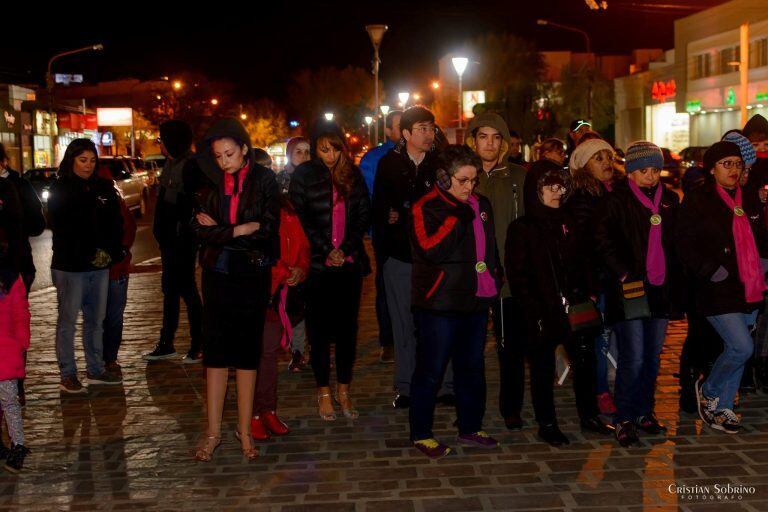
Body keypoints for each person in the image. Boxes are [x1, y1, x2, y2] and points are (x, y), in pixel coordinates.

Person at [189, 118, 280, 462]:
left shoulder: (265, 179)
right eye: (218, 155)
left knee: (245, 353)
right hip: (216, 273)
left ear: (244, 149)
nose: (224, 161)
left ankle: (244, 431)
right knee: (215, 354)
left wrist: (226, 231)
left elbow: (267, 229)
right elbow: (198, 230)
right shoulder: (205, 182)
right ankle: (212, 433)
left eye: (229, 153)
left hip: (252, 274)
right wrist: (238, 230)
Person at [506, 160, 612, 446]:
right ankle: (547, 423)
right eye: (548, 186)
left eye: (561, 185)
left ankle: (589, 415)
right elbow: (518, 275)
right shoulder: (523, 228)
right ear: (535, 190)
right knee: (542, 369)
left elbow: (585, 259)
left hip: (575, 307)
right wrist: (533, 309)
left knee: (585, 363)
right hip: (543, 310)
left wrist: (589, 291)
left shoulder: (570, 221)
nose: (556, 192)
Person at [409, 145, 501, 458]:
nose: (469, 187)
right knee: (431, 370)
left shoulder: (481, 204)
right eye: (462, 180)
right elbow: (429, 249)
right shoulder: (427, 206)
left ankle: (470, 427)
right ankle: (421, 432)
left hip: (475, 301)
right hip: (439, 305)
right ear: (444, 178)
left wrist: (494, 280)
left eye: (473, 180)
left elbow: (490, 251)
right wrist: (455, 217)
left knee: (472, 368)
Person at [595, 141, 682, 446]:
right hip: (629, 288)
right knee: (633, 356)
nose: (650, 176)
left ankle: (645, 411)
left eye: (655, 170)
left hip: (660, 288)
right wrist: (623, 272)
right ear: (630, 171)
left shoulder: (669, 200)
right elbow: (603, 241)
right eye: (644, 170)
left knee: (653, 356)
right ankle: (625, 417)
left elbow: (676, 243)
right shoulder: (615, 200)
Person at [677, 141, 768, 434]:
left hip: (749, 286)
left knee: (735, 348)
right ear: (712, 168)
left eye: (737, 164)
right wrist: (710, 270)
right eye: (726, 164)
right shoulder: (698, 199)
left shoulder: (750, 199)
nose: (733, 169)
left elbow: (759, 239)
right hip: (716, 288)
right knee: (742, 347)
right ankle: (709, 387)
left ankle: (722, 407)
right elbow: (684, 243)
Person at [289, 119, 371, 421]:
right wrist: (327, 250)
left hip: (348, 265)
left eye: (335, 149)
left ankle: (344, 390)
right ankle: (323, 391)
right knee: (320, 332)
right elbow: (301, 219)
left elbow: (364, 214)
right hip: (318, 266)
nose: (331, 156)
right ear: (315, 149)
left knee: (348, 331)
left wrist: (345, 249)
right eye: (324, 150)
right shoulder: (304, 175)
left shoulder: (353, 174)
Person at [373, 106, 452, 409]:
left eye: (431, 128)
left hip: (436, 256)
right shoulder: (388, 164)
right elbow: (379, 209)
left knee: (439, 322)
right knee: (403, 324)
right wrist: (385, 249)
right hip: (400, 256)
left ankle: (445, 384)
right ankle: (406, 386)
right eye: (421, 128)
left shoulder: (440, 163)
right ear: (405, 133)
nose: (428, 134)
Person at [465, 112, 527, 430]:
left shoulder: (518, 176)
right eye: (483, 137)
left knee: (510, 347)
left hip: (508, 278)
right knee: (470, 348)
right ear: (473, 140)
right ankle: (470, 408)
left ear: (503, 142)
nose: (489, 143)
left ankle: (511, 407)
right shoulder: (461, 175)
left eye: (495, 137)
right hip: (469, 276)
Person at [48, 139, 124, 393]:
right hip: (70, 266)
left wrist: (111, 253)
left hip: (99, 265)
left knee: (96, 320)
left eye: (92, 160)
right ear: (71, 160)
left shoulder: (103, 187)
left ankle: (95, 369)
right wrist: (91, 250)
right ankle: (68, 373)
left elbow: (115, 223)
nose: (88, 166)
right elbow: (64, 227)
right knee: (68, 320)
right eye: (83, 160)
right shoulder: (61, 188)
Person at [250, 168, 310, 440]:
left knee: (269, 355)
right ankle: (250, 415)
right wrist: (286, 271)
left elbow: (302, 246)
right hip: (251, 293)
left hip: (277, 296)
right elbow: (253, 255)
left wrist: (300, 268)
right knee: (251, 356)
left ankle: (268, 410)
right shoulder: (248, 215)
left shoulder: (286, 212)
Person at [567, 138, 619, 415]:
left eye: (608, 157)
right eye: (598, 158)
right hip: (596, 280)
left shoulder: (614, 191)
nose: (606, 163)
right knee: (600, 340)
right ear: (584, 165)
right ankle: (599, 391)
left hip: (615, 278)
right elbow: (585, 244)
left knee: (614, 338)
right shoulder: (582, 196)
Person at [145, 120, 204, 363]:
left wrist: (181, 230)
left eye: (162, 139)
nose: (161, 144)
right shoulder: (172, 165)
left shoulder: (189, 166)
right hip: (170, 241)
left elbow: (189, 204)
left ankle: (199, 344)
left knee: (187, 290)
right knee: (170, 290)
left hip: (182, 240)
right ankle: (166, 342)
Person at [0, 143, 45, 406]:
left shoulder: (17, 184)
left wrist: (13, 221)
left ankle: (15, 384)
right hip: (16, 264)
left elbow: (38, 224)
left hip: (14, 267)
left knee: (13, 326)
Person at [360, 110, 402, 365]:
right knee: (386, 286)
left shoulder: (422, 154)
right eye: (399, 126)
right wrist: (385, 212)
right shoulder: (374, 158)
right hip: (385, 232)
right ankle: (388, 340)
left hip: (414, 231)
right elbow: (367, 195)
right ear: (388, 131)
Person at [97, 165, 137, 378]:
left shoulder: (114, 199)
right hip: (94, 271)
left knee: (112, 317)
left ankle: (109, 358)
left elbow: (129, 228)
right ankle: (101, 359)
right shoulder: (81, 197)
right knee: (100, 318)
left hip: (115, 269)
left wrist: (121, 251)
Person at [276, 137, 312, 372]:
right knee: (292, 306)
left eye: (308, 152)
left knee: (312, 305)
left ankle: (311, 349)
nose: (304, 156)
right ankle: (297, 351)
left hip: (313, 249)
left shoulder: (317, 178)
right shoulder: (279, 183)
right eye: (298, 152)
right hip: (288, 251)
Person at [0, 266, 31, 473]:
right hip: (8, 352)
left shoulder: (10, 279)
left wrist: (21, 345)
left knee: (9, 402)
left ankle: (18, 445)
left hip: (6, 352)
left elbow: (20, 315)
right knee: (9, 403)